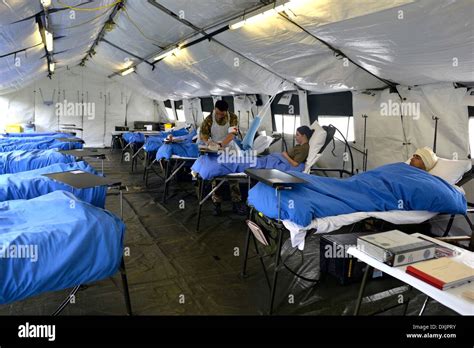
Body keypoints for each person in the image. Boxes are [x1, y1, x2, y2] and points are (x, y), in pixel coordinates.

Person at [199, 100, 246, 216]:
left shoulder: (233, 117)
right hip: (214, 148)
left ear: (226, 111)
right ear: (215, 109)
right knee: (215, 175)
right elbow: (203, 134)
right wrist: (210, 143)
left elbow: (232, 135)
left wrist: (222, 145)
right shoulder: (209, 119)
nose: (220, 116)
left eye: (222, 114)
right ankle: (217, 204)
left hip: (229, 147)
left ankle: (237, 203)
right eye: (218, 113)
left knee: (233, 176)